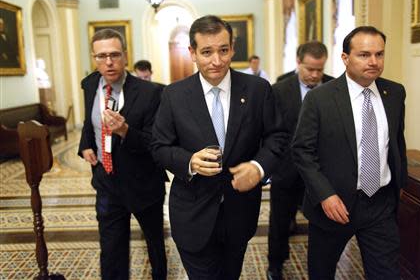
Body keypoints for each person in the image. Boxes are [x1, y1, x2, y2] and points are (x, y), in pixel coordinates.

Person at [152, 15, 287, 280]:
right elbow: (159, 147)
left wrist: (258, 168)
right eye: (206, 52)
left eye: (223, 50)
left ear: (233, 48)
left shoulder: (258, 89)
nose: (217, 61)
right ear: (192, 53)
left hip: (240, 214)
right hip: (192, 215)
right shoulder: (174, 95)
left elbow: (278, 137)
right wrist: (189, 161)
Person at [292, 26, 407, 279]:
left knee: (386, 273)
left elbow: (396, 142)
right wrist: (325, 195)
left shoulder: (395, 93)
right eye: (364, 55)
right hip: (334, 205)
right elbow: (302, 151)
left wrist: (400, 182)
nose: (374, 62)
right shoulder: (320, 99)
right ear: (345, 58)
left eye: (379, 54)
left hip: (380, 203)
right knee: (321, 273)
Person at [78, 29, 168, 280]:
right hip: (106, 182)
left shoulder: (151, 93)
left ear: (125, 56)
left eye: (115, 55)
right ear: (94, 58)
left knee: (155, 245)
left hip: (143, 184)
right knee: (111, 250)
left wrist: (126, 131)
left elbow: (156, 143)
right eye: (102, 56)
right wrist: (85, 145)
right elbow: (89, 121)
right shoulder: (89, 84)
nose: (108, 62)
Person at [267, 41, 332, 280]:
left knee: (322, 224)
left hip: (321, 172)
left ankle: (321, 267)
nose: (315, 75)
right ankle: (275, 264)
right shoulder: (279, 91)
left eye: (319, 69)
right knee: (279, 221)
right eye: (310, 69)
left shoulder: (335, 87)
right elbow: (273, 132)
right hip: (287, 170)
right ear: (298, 63)